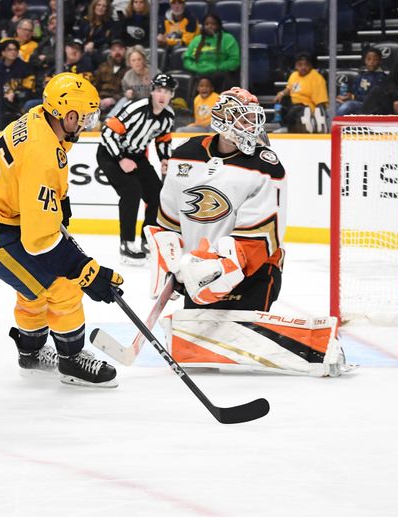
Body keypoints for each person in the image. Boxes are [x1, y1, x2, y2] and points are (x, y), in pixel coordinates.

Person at [149, 87, 348, 376]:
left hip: (252, 273)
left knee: (234, 341)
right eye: (243, 120)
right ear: (221, 119)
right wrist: (174, 263)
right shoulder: (185, 155)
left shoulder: (265, 164)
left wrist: (217, 268)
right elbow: (168, 219)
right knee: (194, 349)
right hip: (198, 275)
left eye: (253, 120)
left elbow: (263, 234)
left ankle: (319, 347)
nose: (251, 128)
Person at [0, 72, 123, 388]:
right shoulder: (42, 150)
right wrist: (88, 273)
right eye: (85, 117)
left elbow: (42, 181)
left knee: (32, 285)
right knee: (62, 283)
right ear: (68, 115)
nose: (87, 123)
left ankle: (31, 352)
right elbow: (40, 242)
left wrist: (59, 205)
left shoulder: (39, 119)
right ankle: (72, 359)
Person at [98, 74, 176, 262]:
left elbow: (163, 139)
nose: (161, 95)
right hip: (110, 153)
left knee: (157, 192)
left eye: (166, 91)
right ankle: (126, 244)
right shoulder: (136, 108)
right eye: (158, 90)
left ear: (172, 94)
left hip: (136, 156)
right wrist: (121, 158)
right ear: (152, 91)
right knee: (131, 190)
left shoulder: (168, 116)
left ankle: (147, 240)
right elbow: (107, 132)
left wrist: (165, 158)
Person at [182, 13, 241, 91]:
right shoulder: (196, 40)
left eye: (213, 24)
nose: (210, 26)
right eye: (206, 24)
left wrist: (217, 67)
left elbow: (234, 61)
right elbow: (187, 59)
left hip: (220, 74)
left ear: (219, 25)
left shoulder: (228, 39)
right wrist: (197, 67)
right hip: (199, 73)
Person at [273, 53, 329, 133]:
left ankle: (311, 123)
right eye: (300, 65)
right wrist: (281, 93)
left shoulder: (316, 77)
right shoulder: (294, 75)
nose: (303, 67)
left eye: (306, 65)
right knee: (283, 105)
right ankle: (287, 127)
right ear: (296, 66)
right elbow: (289, 88)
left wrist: (318, 117)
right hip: (293, 105)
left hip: (307, 108)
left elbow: (320, 103)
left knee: (296, 110)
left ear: (311, 66)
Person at [336, 48, 389, 116]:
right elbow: (353, 91)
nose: (371, 62)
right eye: (368, 59)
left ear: (380, 61)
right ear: (365, 60)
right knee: (335, 105)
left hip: (368, 107)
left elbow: (373, 98)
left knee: (348, 106)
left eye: (375, 60)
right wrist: (345, 97)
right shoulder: (361, 76)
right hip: (355, 102)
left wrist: (353, 97)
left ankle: (335, 125)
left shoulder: (382, 78)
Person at [92, 38, 129, 114]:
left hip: (118, 103)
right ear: (110, 52)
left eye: (120, 49)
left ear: (125, 50)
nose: (117, 52)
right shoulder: (103, 67)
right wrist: (97, 99)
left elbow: (128, 91)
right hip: (99, 101)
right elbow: (94, 86)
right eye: (114, 50)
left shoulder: (129, 70)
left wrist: (114, 99)